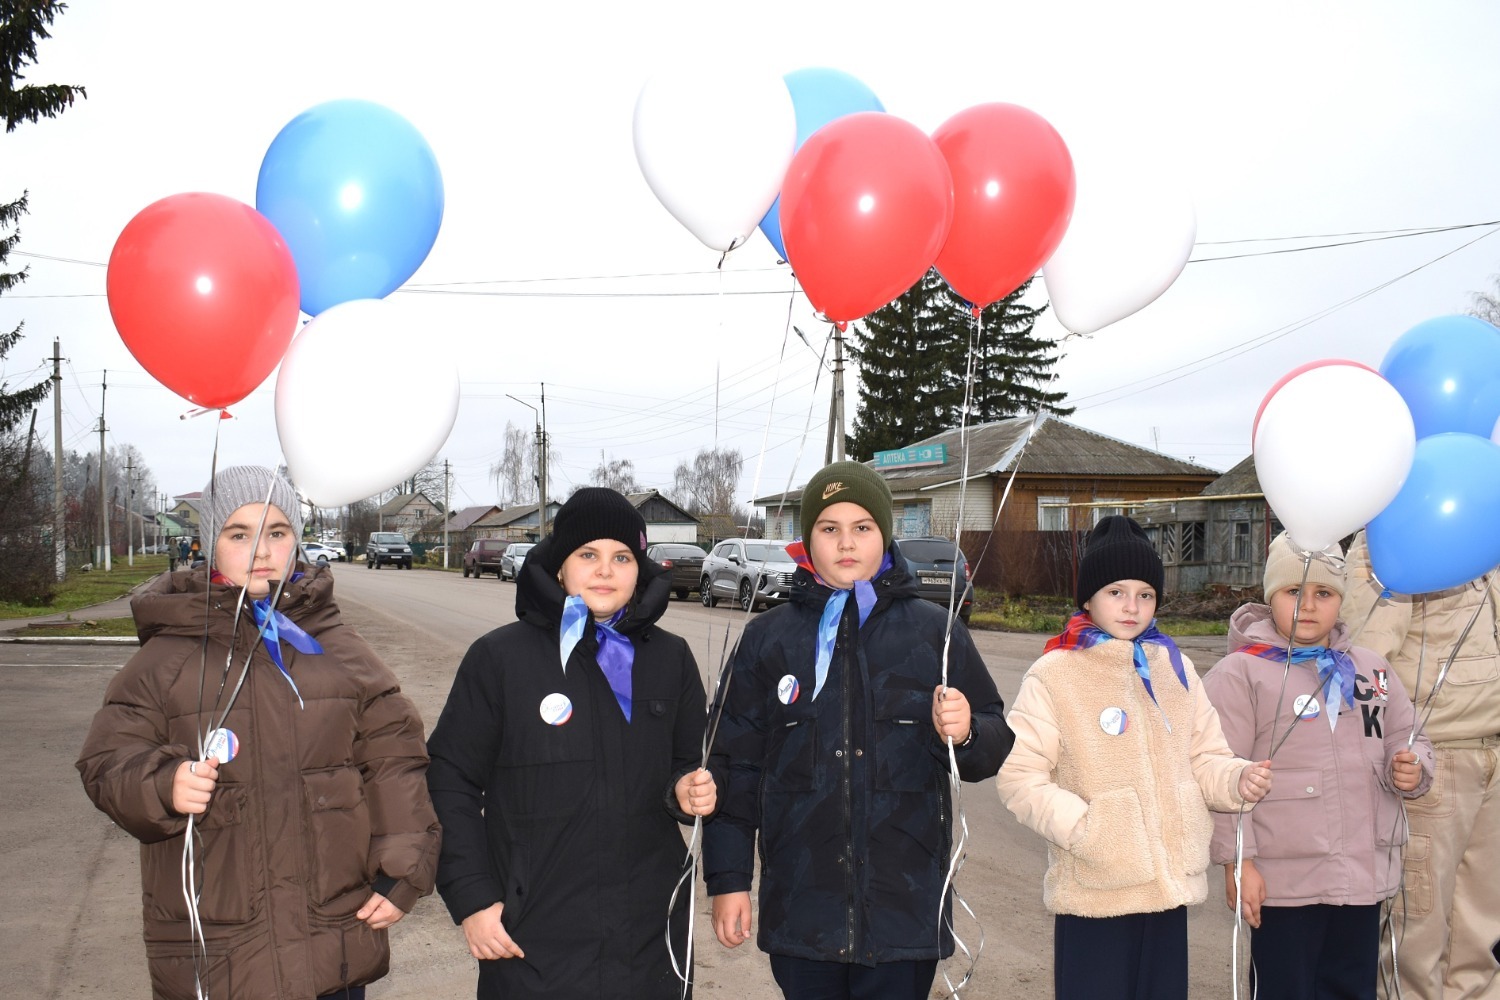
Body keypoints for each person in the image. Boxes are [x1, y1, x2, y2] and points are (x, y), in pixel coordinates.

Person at [76, 465, 440, 1000]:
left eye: (277, 532)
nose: (262, 551)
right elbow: (106, 760)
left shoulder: (338, 648)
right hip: (221, 949)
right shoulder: (167, 657)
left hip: (331, 938)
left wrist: (400, 871)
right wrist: (162, 784)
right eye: (239, 534)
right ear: (209, 543)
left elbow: (394, 759)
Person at [703, 461, 1013, 1000]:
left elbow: (994, 742)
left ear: (884, 535)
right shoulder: (767, 640)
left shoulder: (935, 633)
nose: (846, 543)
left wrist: (967, 733)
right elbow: (733, 765)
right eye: (830, 528)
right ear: (808, 539)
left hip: (904, 914)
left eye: (862, 527)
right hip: (804, 913)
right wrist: (728, 881)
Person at [425, 487, 715, 1000]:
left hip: (650, 943)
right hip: (532, 944)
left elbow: (693, 764)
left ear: (639, 569)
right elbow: (450, 781)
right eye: (587, 554)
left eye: (622, 557)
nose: (605, 570)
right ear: (560, 566)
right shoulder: (499, 659)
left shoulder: (671, 658)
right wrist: (474, 899)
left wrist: (689, 791)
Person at [996, 514, 1274, 1000]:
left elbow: (1206, 756)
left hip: (1168, 893)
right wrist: (1088, 829)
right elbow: (1019, 777)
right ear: (1088, 598)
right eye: (1116, 592)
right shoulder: (1055, 673)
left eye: (1145, 594)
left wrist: (1236, 780)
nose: (1132, 606)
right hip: (1096, 892)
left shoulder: (1175, 667)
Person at [1202, 531, 1433, 1000]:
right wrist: (1238, 861)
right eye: (1294, 591)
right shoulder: (1241, 673)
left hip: (1363, 878)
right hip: (1284, 884)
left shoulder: (1371, 668)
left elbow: (1408, 735)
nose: (1308, 606)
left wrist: (1412, 766)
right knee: (1285, 989)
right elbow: (1218, 772)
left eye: (1323, 593)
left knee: (1351, 987)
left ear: (1341, 599)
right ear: (1270, 595)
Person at [1341, 528, 1500, 1000]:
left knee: (1481, 929)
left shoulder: (1486, 526)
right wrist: (1380, 751)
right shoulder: (1395, 530)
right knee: (1418, 930)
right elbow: (1368, 654)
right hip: (1434, 758)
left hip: (1492, 750)